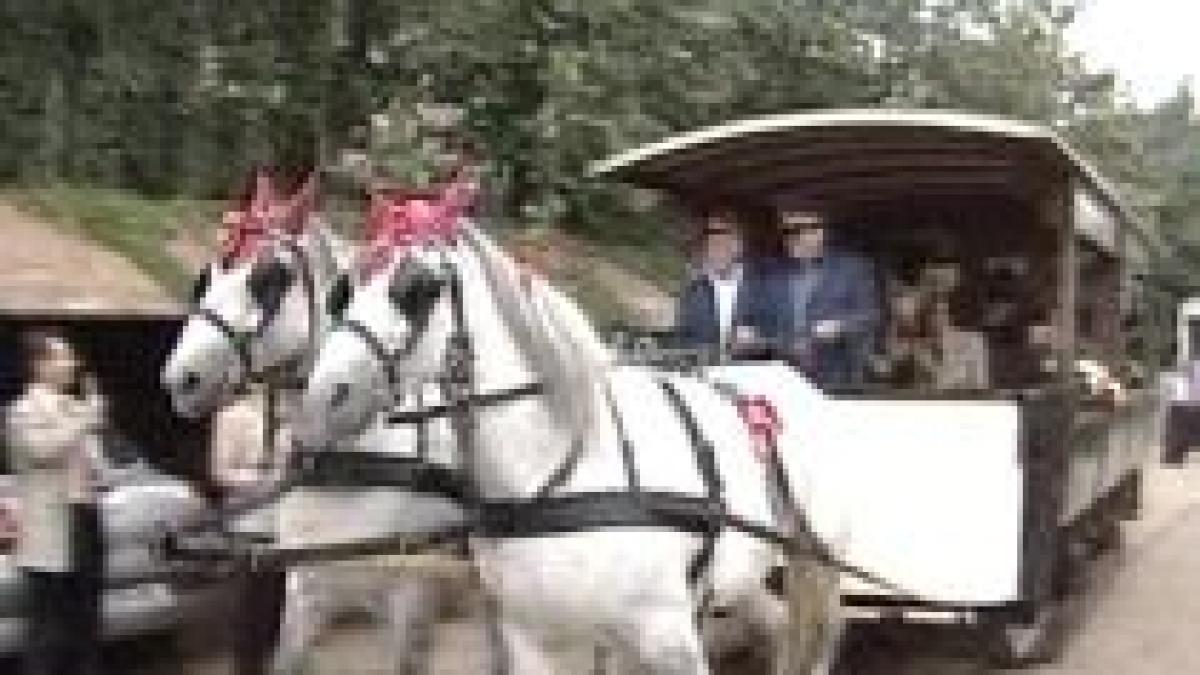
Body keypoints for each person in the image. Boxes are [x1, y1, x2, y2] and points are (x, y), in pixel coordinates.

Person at [5, 329, 106, 675]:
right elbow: (41, 450)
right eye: (63, 356)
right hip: (51, 527)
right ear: (39, 365)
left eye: (71, 356)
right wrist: (84, 421)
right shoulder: (21, 410)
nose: (73, 363)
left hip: (87, 516)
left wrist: (94, 440)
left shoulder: (78, 408)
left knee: (87, 619)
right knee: (48, 626)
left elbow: (97, 466)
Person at [758, 208, 879, 387]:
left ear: (819, 232)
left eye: (798, 231)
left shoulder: (853, 268)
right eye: (786, 232)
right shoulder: (772, 272)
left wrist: (841, 325)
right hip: (784, 376)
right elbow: (763, 318)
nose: (791, 239)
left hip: (837, 377)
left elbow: (871, 315)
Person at [674, 207, 762, 356]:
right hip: (706, 372)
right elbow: (683, 339)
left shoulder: (761, 286)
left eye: (725, 237)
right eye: (711, 238)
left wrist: (755, 341)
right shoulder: (693, 290)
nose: (717, 244)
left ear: (739, 244)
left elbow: (779, 336)